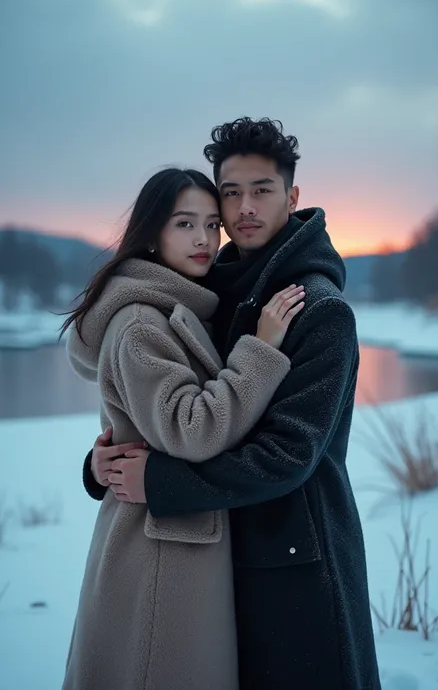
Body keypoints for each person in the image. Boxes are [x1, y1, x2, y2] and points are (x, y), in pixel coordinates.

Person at [86, 118, 382, 689]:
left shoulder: (318, 312)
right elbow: (168, 403)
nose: (244, 206)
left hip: (298, 559)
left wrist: (165, 483)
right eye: (231, 192)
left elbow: (288, 454)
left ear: (292, 197)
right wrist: (106, 460)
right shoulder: (208, 295)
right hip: (214, 560)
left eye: (262, 190)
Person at [60, 167, 305, 690]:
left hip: (168, 538)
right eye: (184, 223)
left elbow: (138, 424)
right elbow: (190, 428)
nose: (202, 239)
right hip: (160, 555)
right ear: (152, 233)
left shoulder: (177, 308)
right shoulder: (143, 324)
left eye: (211, 225)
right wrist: (260, 350)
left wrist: (99, 461)